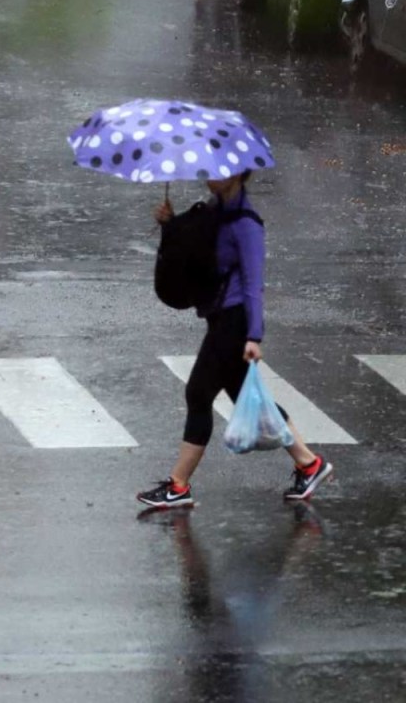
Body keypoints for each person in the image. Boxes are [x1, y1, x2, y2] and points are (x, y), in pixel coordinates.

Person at [137, 171, 332, 509]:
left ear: (240, 174)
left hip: (235, 321)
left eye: (220, 170)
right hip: (218, 317)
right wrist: (168, 224)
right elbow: (194, 253)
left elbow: (255, 285)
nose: (210, 176)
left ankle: (179, 485)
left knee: (198, 392)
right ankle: (309, 463)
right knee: (247, 395)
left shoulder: (246, 224)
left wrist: (254, 335)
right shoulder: (214, 212)